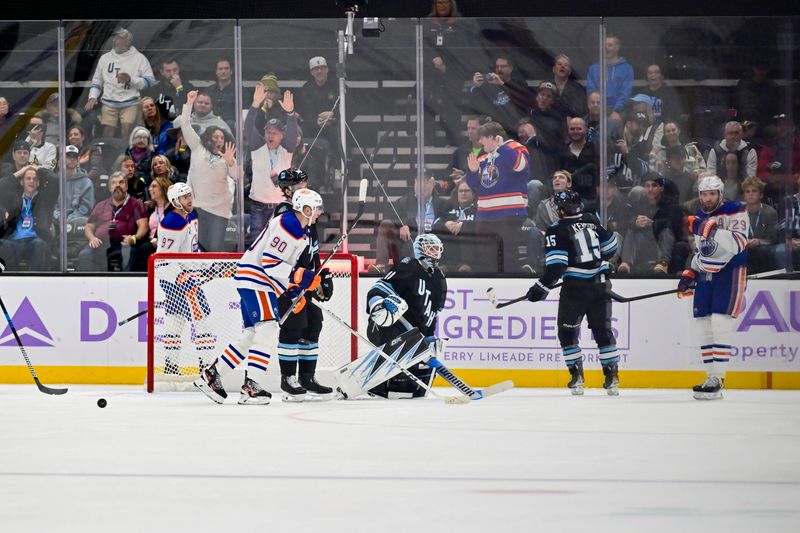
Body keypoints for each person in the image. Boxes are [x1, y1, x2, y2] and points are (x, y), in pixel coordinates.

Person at [193, 188, 326, 405]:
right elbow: (270, 262)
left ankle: (212, 375)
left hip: (256, 280)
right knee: (267, 329)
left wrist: (293, 291)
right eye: (317, 207)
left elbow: (280, 266)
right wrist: (300, 275)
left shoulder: (299, 229)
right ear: (306, 208)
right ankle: (251, 386)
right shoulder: (289, 224)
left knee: (251, 334)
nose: (320, 212)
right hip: (257, 280)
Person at [525, 189, 620, 395]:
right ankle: (612, 377)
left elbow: (557, 266)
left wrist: (541, 287)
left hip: (575, 289)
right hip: (600, 286)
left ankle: (577, 377)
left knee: (567, 332)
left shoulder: (557, 229)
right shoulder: (591, 219)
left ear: (561, 209)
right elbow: (611, 247)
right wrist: (604, 263)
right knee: (602, 332)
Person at [677, 175, 748, 400]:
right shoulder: (700, 214)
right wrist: (691, 271)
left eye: (712, 194)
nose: (707, 198)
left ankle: (719, 377)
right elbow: (703, 250)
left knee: (720, 322)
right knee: (703, 324)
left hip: (731, 271)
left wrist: (709, 228)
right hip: (706, 273)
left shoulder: (735, 209)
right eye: (704, 194)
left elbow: (739, 243)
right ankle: (709, 377)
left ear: (720, 193)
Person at [268, 169, 334, 400]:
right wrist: (296, 278)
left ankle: (307, 377)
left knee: (313, 321)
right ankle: (288, 379)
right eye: (298, 183)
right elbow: (282, 256)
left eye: (305, 181)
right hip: (287, 280)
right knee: (294, 324)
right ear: (287, 191)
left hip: (305, 278)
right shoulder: (288, 213)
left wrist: (319, 274)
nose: (305, 185)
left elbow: (311, 248)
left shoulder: (309, 208)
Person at [365, 233, 446, 399]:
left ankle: (397, 379)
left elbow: (433, 314)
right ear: (419, 249)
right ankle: (380, 377)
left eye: (437, 248)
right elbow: (378, 288)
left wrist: (429, 338)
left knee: (414, 385)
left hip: (415, 337)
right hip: (388, 328)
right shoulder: (409, 266)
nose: (435, 251)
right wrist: (378, 304)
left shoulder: (440, 279)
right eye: (431, 247)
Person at [465, 121, 530, 273]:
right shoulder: (483, 157)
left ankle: (509, 288)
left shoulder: (516, 148)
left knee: (508, 255)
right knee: (486, 256)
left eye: (483, 138)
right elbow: (474, 185)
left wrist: (502, 148)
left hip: (509, 213)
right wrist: (473, 171)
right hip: (485, 215)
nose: (480, 142)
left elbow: (518, 165)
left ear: (495, 138)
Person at [181, 90, 238, 252]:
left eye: (222, 137)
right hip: (197, 206)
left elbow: (237, 176)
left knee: (214, 248)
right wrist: (189, 104)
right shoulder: (198, 146)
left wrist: (231, 161)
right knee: (198, 247)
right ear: (208, 137)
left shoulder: (228, 156)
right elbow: (185, 125)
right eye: (216, 136)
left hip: (219, 210)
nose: (219, 139)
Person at [244, 83, 298, 242]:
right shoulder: (257, 146)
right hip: (258, 206)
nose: (270, 135)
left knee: (278, 243)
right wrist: (255, 105)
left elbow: (293, 133)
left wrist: (290, 113)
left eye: (274, 132)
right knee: (256, 243)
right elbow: (248, 125)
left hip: (280, 207)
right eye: (268, 132)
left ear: (282, 135)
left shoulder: (286, 149)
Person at [85, 28, 155, 140]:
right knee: (107, 130)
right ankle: (106, 153)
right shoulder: (105, 58)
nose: (114, 41)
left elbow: (150, 81)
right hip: (109, 102)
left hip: (130, 102)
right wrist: (92, 97)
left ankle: (126, 154)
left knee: (127, 129)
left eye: (118, 38)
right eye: (114, 38)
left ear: (127, 41)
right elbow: (97, 81)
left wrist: (130, 80)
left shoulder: (139, 58)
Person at [78, 171, 148, 272]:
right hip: (101, 243)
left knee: (129, 255)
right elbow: (89, 227)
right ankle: (93, 286)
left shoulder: (136, 204)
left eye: (121, 182)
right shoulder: (100, 205)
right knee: (84, 255)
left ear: (127, 186)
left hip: (124, 244)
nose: (117, 185)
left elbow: (143, 226)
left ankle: (125, 287)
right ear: (110, 188)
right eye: (114, 183)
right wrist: (92, 238)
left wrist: (134, 238)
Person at [0, 166, 58, 271]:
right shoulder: (14, 198)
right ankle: (13, 280)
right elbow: (1, 186)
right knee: (4, 244)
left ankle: (36, 283)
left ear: (39, 183)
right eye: (28, 178)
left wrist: (38, 168)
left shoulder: (45, 199)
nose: (31, 181)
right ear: (22, 182)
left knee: (39, 245)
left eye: (35, 179)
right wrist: (21, 172)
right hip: (14, 241)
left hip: (34, 240)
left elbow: (55, 180)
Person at [467, 56, 530, 135]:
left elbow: (523, 100)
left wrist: (502, 84)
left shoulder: (519, 83)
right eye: (497, 66)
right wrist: (476, 86)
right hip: (493, 128)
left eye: (503, 66)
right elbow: (474, 103)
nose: (499, 69)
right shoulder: (489, 85)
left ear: (510, 68)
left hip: (515, 127)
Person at [587, 35, 633, 125]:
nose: (606, 48)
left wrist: (615, 110)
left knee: (614, 127)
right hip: (597, 109)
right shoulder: (594, 69)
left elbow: (625, 93)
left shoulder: (627, 68)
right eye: (603, 46)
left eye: (609, 45)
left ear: (617, 48)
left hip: (619, 111)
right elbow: (591, 92)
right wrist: (607, 111)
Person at [432, 180, 476, 272]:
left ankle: (465, 266)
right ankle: (445, 266)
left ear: (473, 194)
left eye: (466, 191)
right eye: (460, 191)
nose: (463, 193)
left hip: (469, 255)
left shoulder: (478, 209)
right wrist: (446, 224)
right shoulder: (448, 207)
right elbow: (435, 224)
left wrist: (464, 226)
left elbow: (482, 225)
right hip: (448, 253)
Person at [741, 177, 778, 273]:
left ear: (761, 195)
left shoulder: (770, 212)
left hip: (763, 250)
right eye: (747, 191)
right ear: (744, 196)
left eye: (754, 191)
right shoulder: (738, 213)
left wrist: (759, 242)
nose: (750, 194)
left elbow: (773, 239)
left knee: (764, 251)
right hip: (744, 249)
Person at [53, 145, 94, 223]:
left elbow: (86, 206)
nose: (72, 159)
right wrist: (58, 216)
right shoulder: (55, 180)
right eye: (68, 156)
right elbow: (51, 204)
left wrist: (72, 218)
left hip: (78, 220)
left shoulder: (86, 182)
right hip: (56, 220)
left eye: (75, 157)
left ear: (78, 159)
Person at [156, 183, 198, 253]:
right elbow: (165, 258)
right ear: (175, 202)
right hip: (178, 264)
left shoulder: (192, 217)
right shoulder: (171, 223)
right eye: (185, 197)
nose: (189, 199)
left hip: (190, 263)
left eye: (190, 195)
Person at [205, 58, 236, 129]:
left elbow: (245, 113)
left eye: (226, 68)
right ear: (216, 72)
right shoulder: (208, 91)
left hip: (231, 127)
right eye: (220, 69)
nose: (223, 71)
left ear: (231, 71)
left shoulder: (240, 91)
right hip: (209, 125)